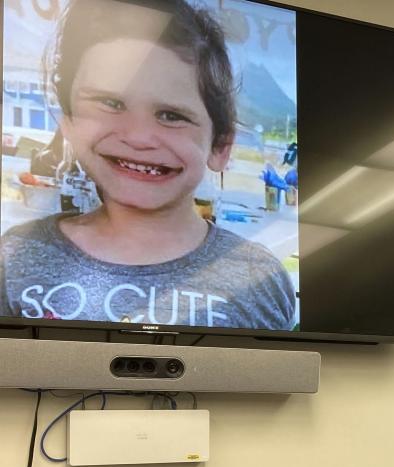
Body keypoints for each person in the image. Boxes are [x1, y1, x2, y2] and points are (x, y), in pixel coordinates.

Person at [0, 0, 296, 330]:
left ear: (220, 146)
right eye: (111, 103)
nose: (139, 136)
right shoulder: (15, 257)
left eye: (171, 116)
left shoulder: (258, 275)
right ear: (69, 120)